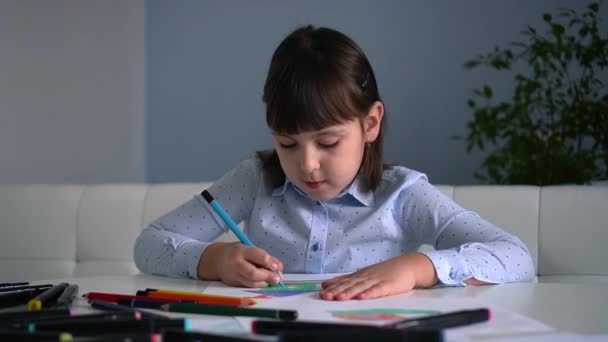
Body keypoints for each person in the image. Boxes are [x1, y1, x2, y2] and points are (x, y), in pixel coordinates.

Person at [134, 25, 535, 301]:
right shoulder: (254, 179)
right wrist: (213, 260)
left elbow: (516, 256)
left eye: (328, 142)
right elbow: (148, 244)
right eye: (287, 143)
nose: (307, 164)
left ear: (370, 123)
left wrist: (418, 268)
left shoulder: (403, 193)